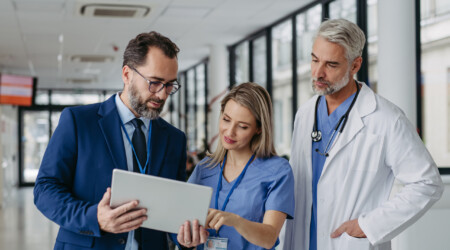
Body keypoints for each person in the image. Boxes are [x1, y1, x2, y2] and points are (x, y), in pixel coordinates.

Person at [281, 19, 444, 250]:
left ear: (355, 65)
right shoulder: (305, 113)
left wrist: (368, 226)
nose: (318, 72)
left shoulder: (387, 119)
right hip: (303, 240)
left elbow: (427, 183)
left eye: (331, 64)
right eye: (314, 59)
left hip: (349, 243)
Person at [34, 31, 187, 250]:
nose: (162, 95)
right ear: (127, 74)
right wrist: (94, 218)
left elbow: (174, 208)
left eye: (170, 85)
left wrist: (183, 239)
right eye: (155, 83)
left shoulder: (174, 139)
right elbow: (45, 190)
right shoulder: (79, 122)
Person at [177, 82, 295, 249]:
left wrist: (236, 221)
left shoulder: (278, 171)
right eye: (226, 119)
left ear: (259, 129)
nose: (230, 132)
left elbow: (269, 237)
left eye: (242, 126)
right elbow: (182, 223)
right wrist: (186, 240)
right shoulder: (205, 168)